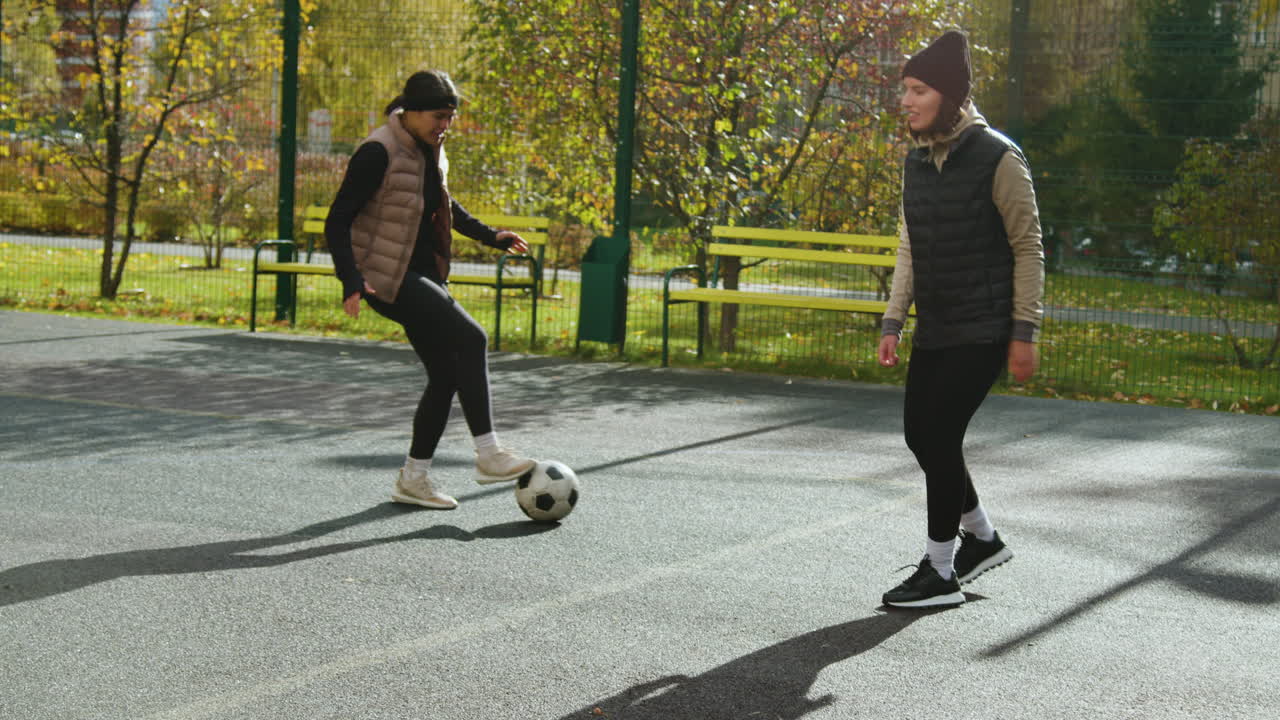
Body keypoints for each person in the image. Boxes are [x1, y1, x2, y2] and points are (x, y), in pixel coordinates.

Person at [876, 31, 1045, 608]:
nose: (906, 100)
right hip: (938, 324)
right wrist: (893, 320)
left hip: (985, 325)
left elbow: (1028, 248)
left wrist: (1023, 333)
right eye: (904, 89)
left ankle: (941, 571)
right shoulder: (917, 160)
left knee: (940, 435)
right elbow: (909, 245)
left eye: (918, 89)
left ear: (948, 96)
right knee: (921, 436)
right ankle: (983, 539)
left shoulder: (999, 156)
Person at [325, 70, 536, 510]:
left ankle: (413, 478)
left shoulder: (430, 149)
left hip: (421, 273)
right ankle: (488, 453)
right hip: (386, 276)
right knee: (472, 338)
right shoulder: (378, 151)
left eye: (450, 117)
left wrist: (491, 235)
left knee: (445, 375)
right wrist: (350, 278)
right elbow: (338, 219)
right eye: (439, 116)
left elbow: (443, 203)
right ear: (412, 111)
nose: (445, 125)